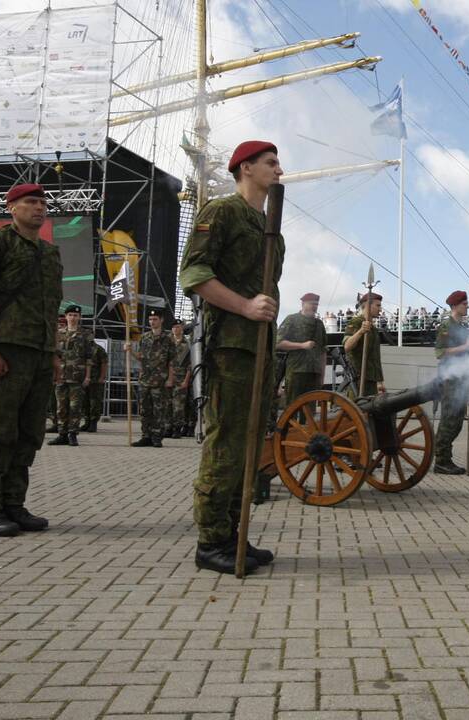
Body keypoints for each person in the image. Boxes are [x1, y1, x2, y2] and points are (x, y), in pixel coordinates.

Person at [179, 139, 283, 575]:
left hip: (259, 348)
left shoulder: (271, 228)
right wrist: (243, 306)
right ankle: (211, 542)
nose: (279, 169)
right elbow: (195, 274)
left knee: (248, 446)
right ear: (245, 168)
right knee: (225, 445)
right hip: (229, 346)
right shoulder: (221, 212)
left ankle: (233, 534)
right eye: (270, 162)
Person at [0, 183, 62, 537]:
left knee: (29, 434)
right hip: (5, 350)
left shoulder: (50, 254)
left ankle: (13, 504)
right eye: (30, 202)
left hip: (39, 353)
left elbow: (51, 309)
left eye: (42, 202)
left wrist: (54, 353)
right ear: (12, 208)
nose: (39, 207)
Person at [433, 290, 469, 475]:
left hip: (462, 377)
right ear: (455, 306)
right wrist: (464, 347)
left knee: (457, 421)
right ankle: (441, 461)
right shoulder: (446, 326)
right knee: (449, 420)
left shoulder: (463, 328)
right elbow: (440, 352)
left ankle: (445, 458)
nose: (467, 306)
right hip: (450, 378)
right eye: (465, 303)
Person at [126, 308, 174, 447]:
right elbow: (141, 358)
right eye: (150, 320)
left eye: (155, 319)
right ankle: (145, 436)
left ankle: (157, 437)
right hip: (145, 380)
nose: (152, 322)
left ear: (161, 320)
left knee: (158, 410)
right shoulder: (145, 337)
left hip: (160, 380)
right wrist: (130, 351)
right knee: (144, 410)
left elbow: (172, 361)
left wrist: (170, 379)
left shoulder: (168, 338)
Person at [48, 304, 92, 447]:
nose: (73, 318)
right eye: (70, 315)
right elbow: (54, 355)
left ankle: (73, 434)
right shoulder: (59, 333)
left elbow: (89, 358)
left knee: (75, 407)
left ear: (79, 317)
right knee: (61, 407)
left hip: (77, 376)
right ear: (65, 317)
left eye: (75, 315)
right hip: (61, 375)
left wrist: (87, 376)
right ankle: (62, 434)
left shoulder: (86, 335)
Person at [277, 292, 327, 407]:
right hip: (296, 371)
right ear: (303, 303)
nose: (314, 307)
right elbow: (278, 343)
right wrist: (302, 345)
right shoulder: (292, 319)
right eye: (311, 303)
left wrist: (322, 377)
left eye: (316, 304)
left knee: (310, 411)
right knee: (292, 408)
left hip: (314, 373)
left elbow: (323, 351)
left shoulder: (319, 324)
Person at [342, 292, 385, 397]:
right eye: (377, 305)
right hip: (358, 379)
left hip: (371, 379)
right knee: (356, 411)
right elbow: (347, 346)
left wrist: (379, 381)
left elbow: (375, 357)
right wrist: (361, 331)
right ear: (367, 305)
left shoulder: (373, 329)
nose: (380, 309)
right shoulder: (356, 322)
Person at [168, 321, 191, 438]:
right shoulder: (167, 343)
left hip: (180, 379)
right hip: (167, 378)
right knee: (167, 404)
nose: (175, 329)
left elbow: (190, 365)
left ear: (182, 328)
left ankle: (177, 428)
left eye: (178, 327)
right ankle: (168, 427)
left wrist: (186, 381)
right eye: (173, 327)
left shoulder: (187, 344)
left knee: (178, 406)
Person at [80, 339, 107, 433]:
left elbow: (104, 363)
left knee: (94, 402)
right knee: (85, 401)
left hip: (95, 380)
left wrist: (102, 377)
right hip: (83, 379)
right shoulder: (82, 348)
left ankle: (93, 423)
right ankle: (87, 422)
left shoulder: (98, 349)